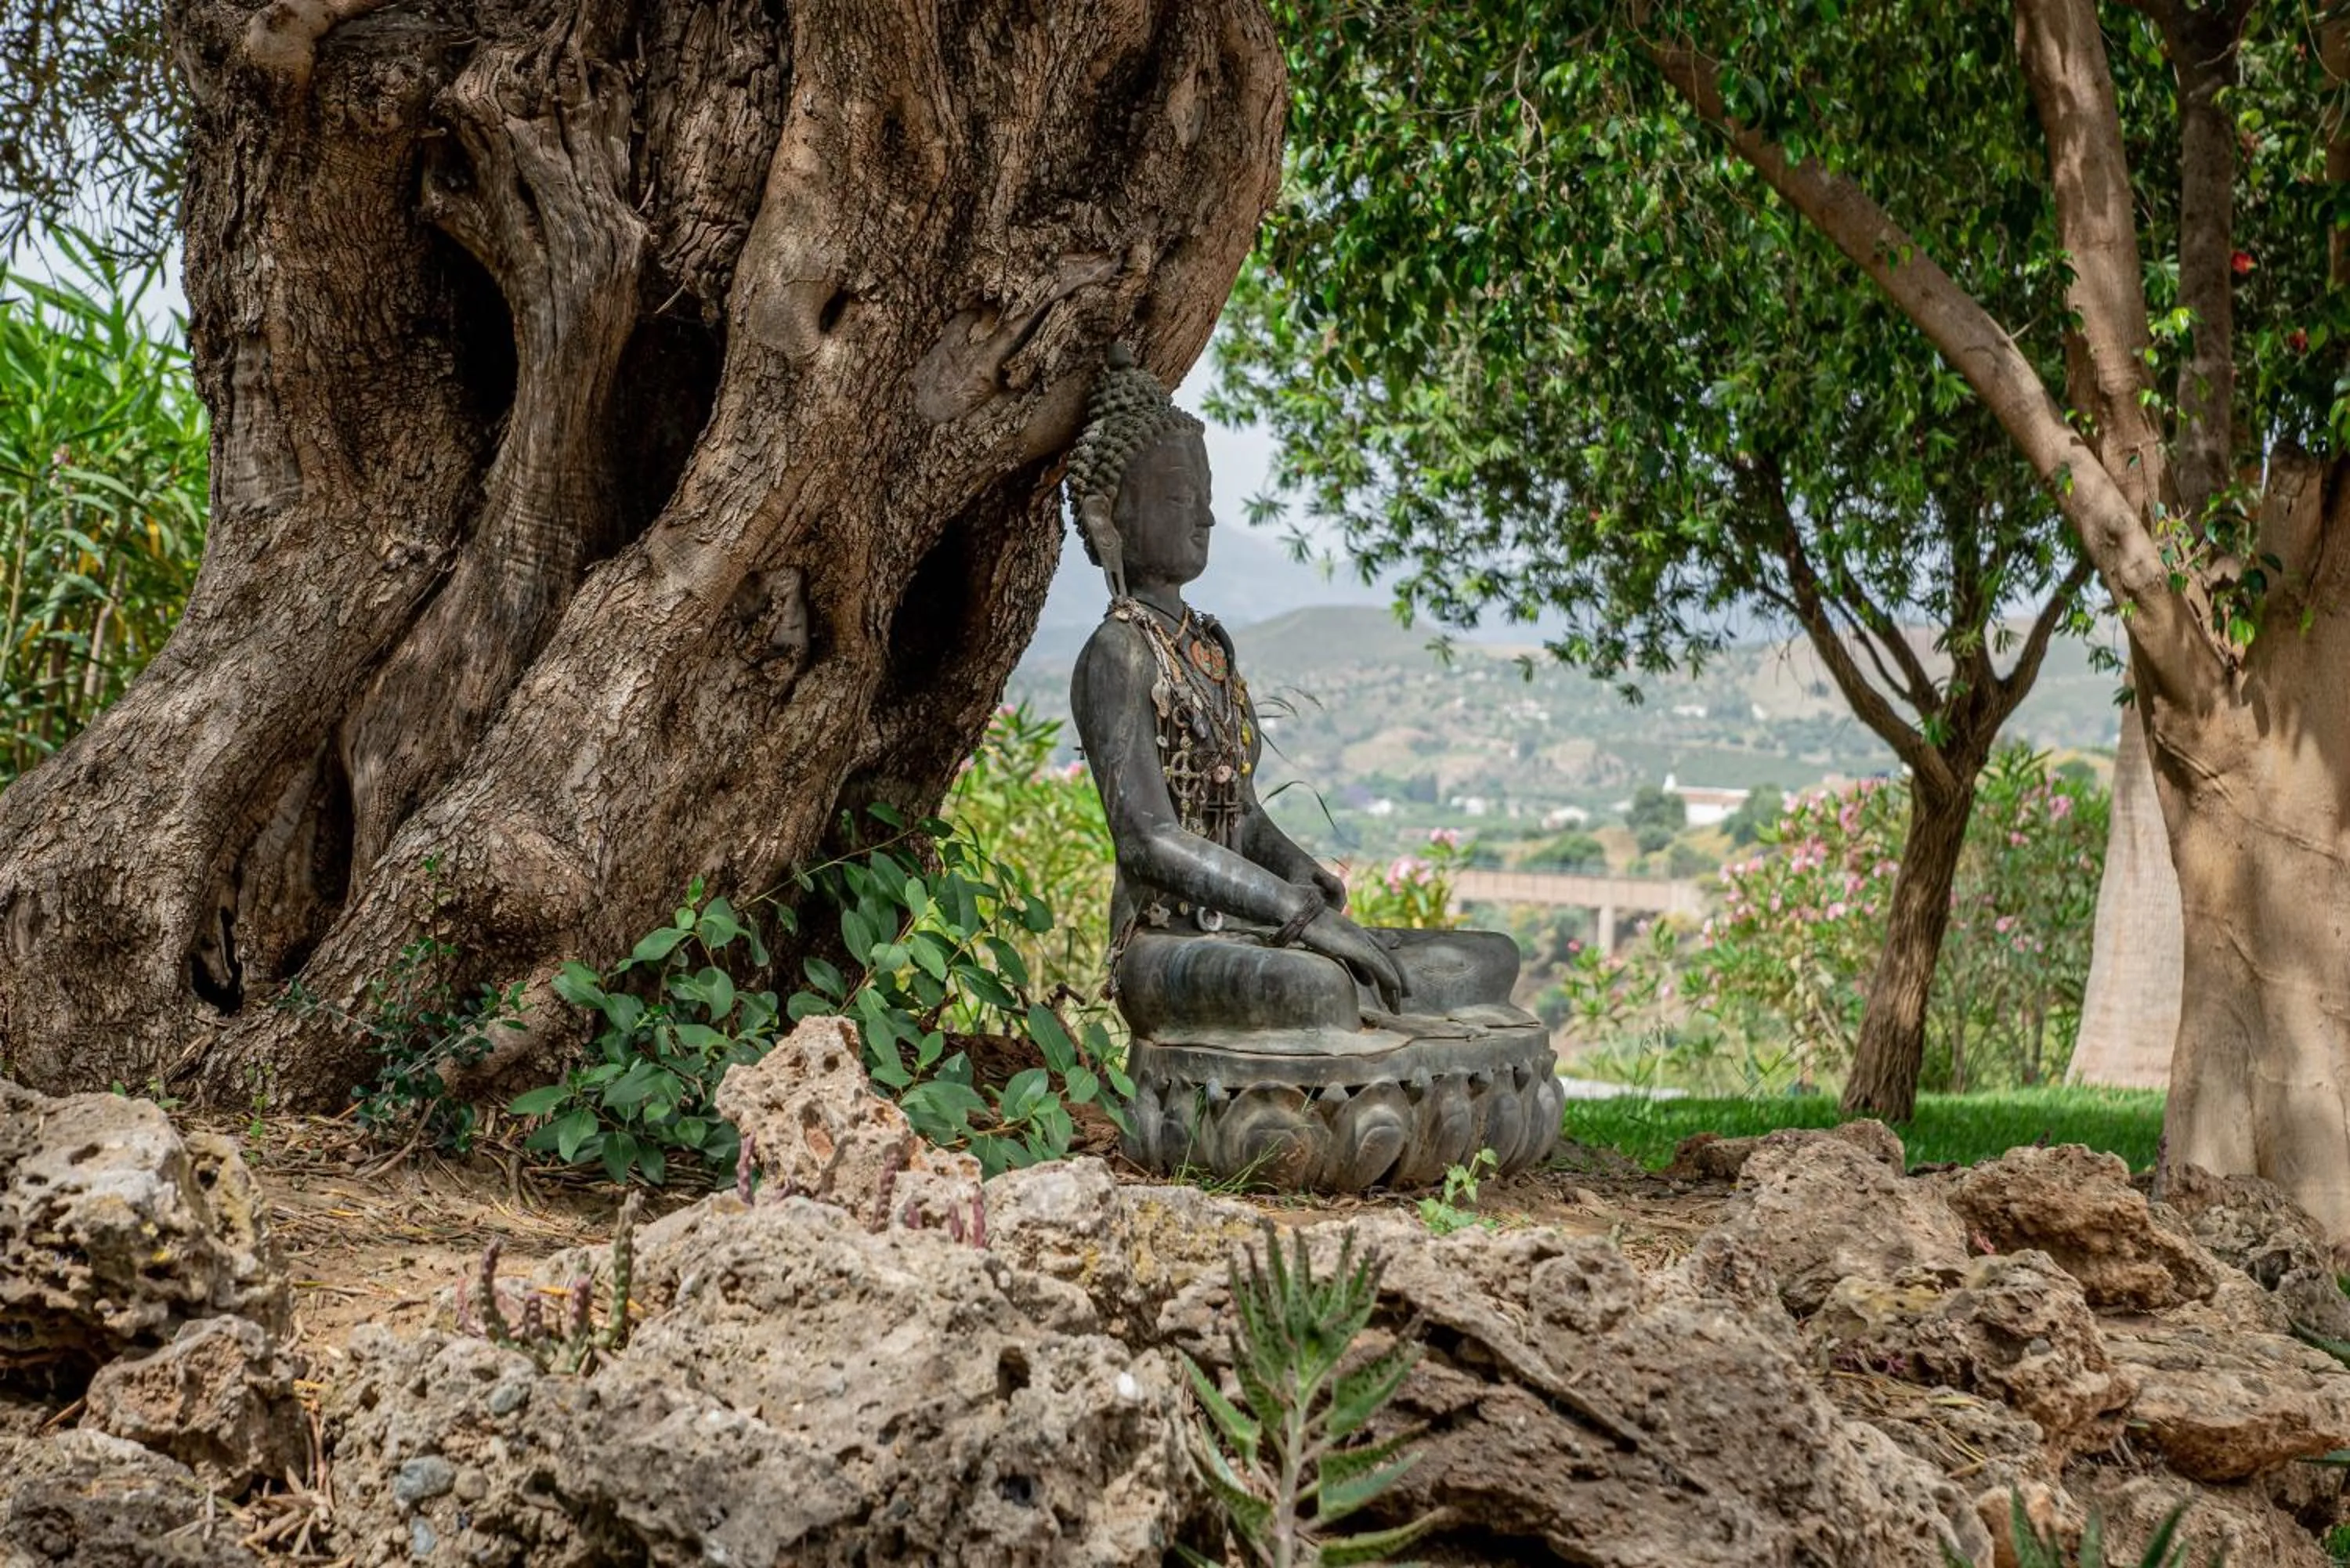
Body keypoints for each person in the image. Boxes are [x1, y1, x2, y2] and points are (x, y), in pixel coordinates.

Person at [1065, 348, 1523, 1053]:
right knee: (1321, 987)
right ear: (1109, 518)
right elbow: (1148, 839)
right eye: (1184, 499)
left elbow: (1240, 814)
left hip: (1252, 927)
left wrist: (1292, 865)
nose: (1206, 520)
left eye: (1209, 500)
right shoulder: (1116, 653)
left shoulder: (1206, 647)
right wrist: (1297, 916)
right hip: (1168, 944)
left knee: (1487, 958)